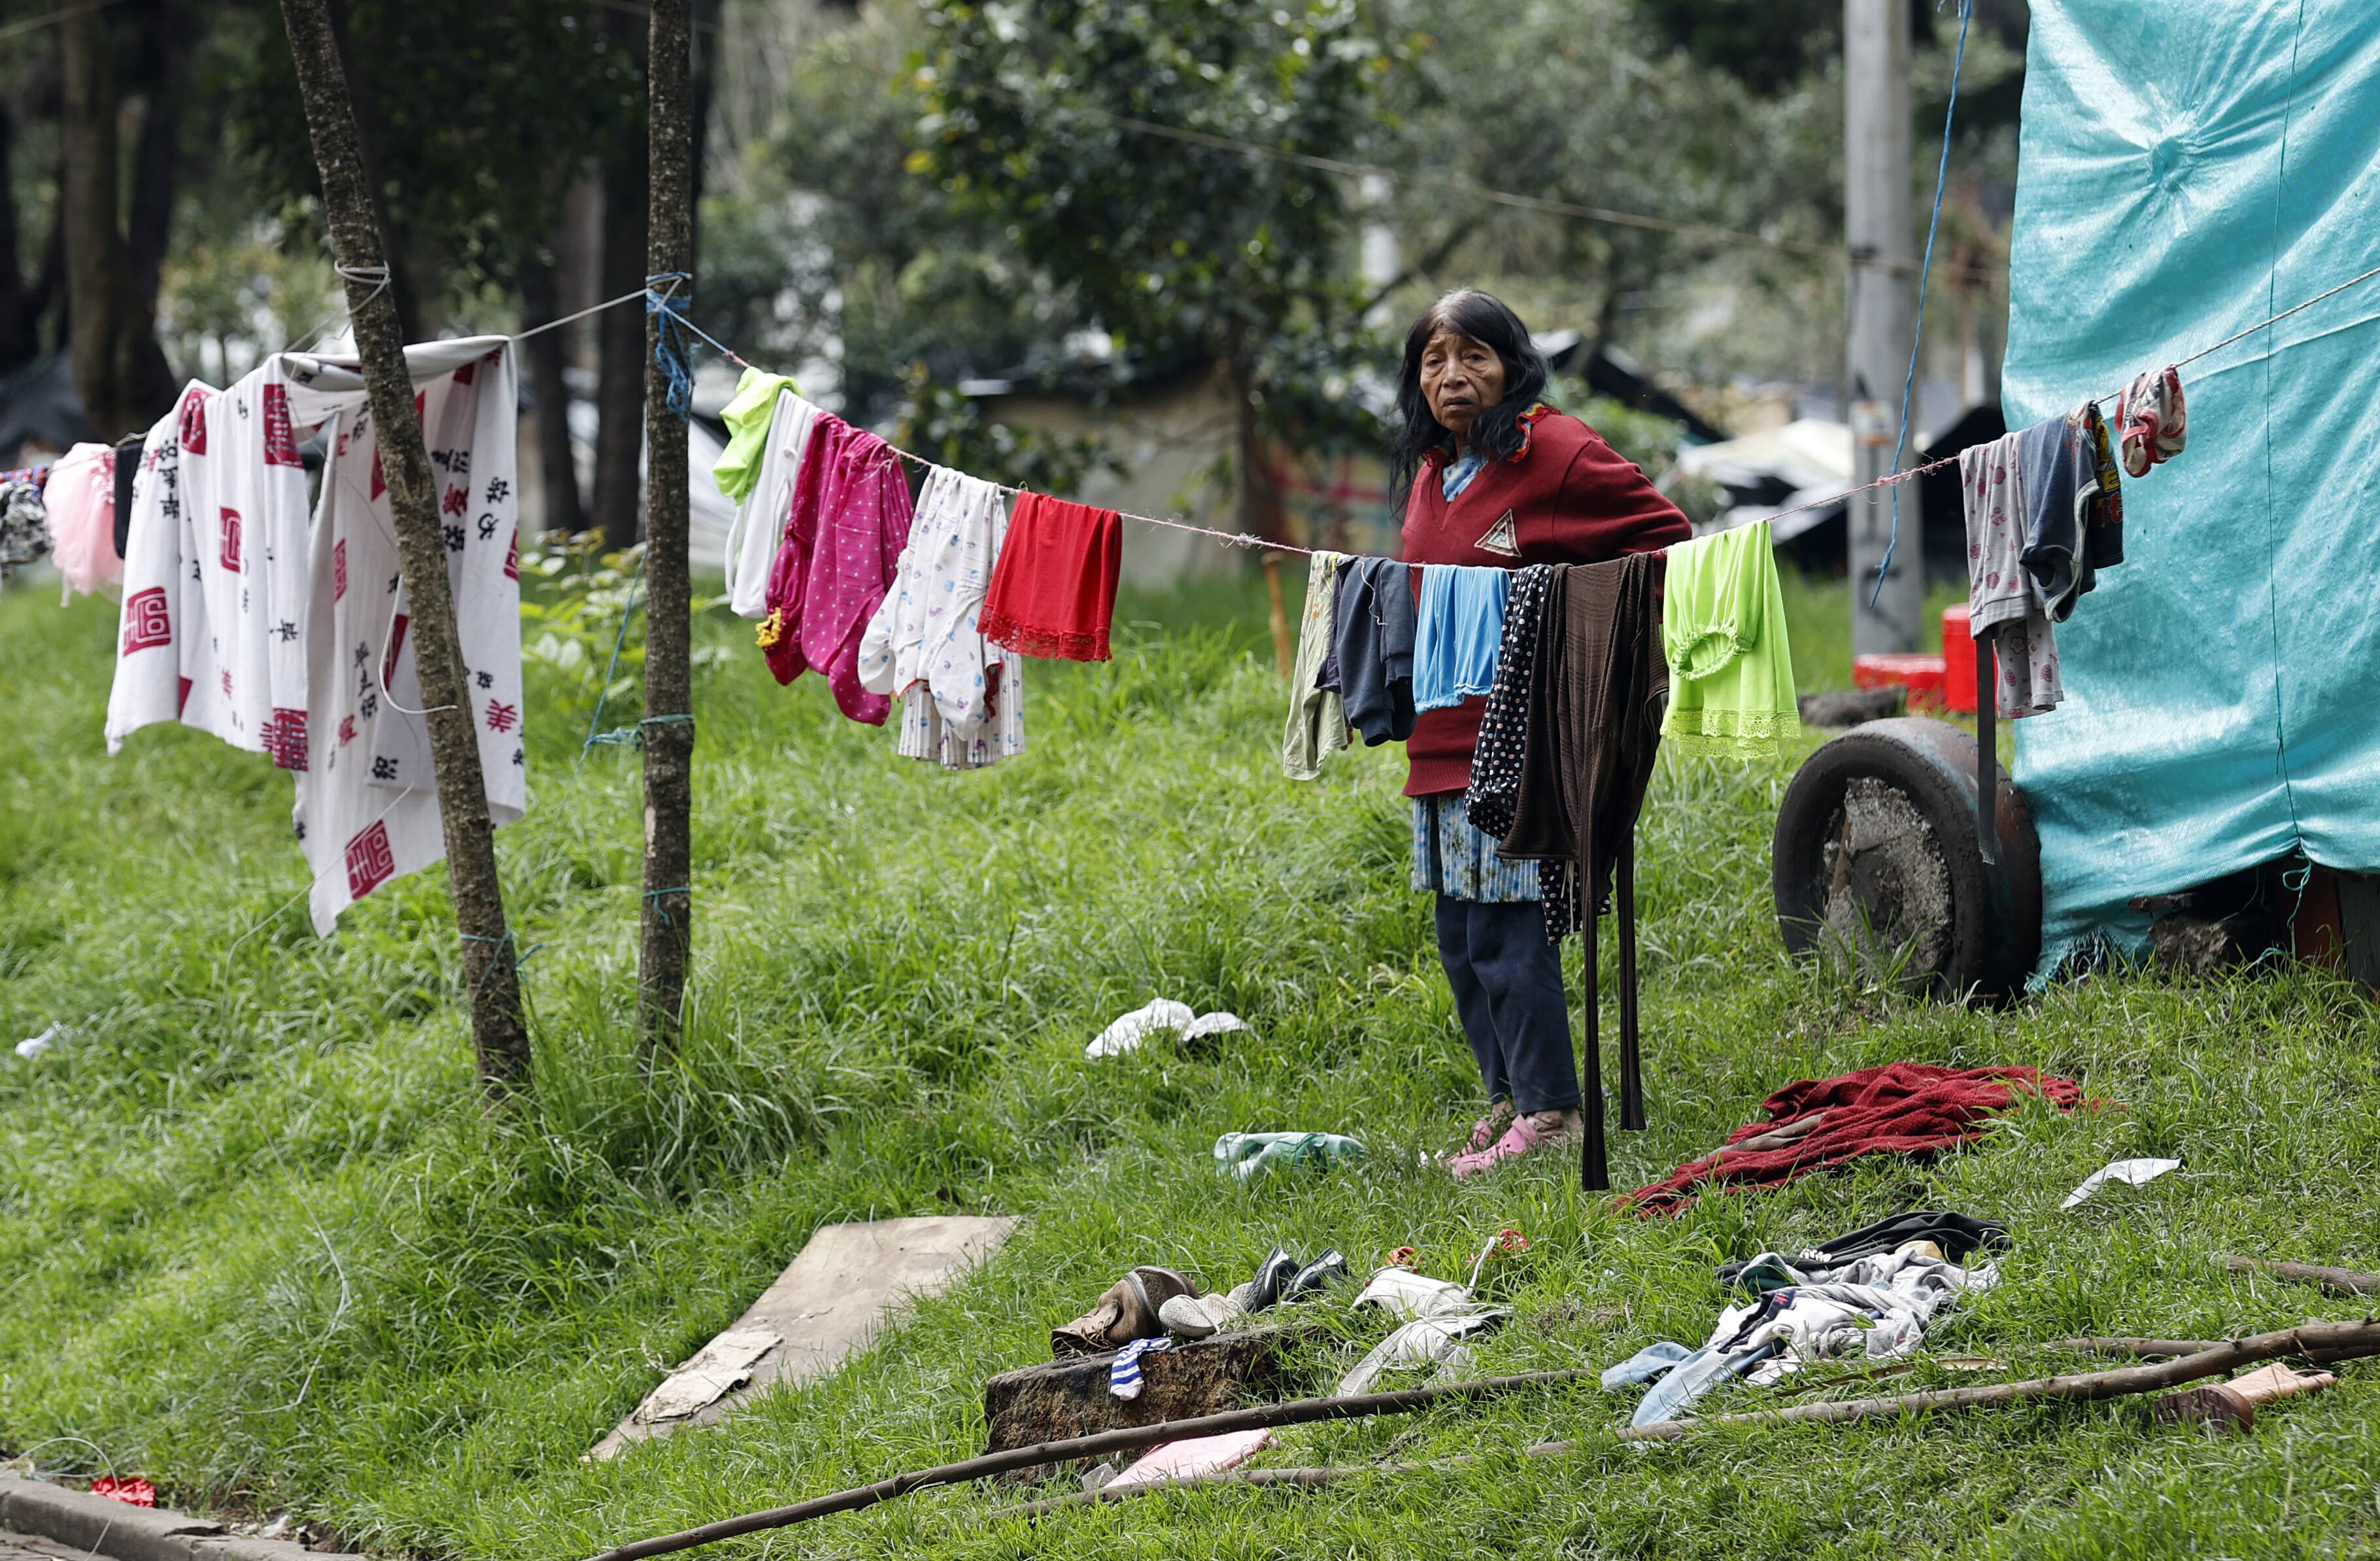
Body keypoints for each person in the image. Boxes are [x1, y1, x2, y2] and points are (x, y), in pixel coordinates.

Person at [1389, 290, 1690, 1177]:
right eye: (1434, 360)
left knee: (1505, 929)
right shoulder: (1433, 473)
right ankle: (1509, 1099)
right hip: (1439, 738)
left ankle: (1551, 1112)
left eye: (1473, 356)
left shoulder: (1558, 453)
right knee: (1459, 934)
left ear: (1512, 365)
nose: (1452, 376)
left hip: (1518, 740)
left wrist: (1570, 624)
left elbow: (1668, 539)